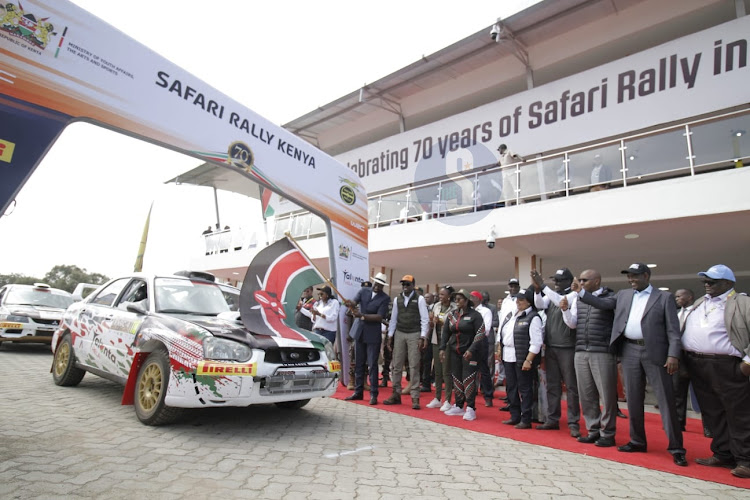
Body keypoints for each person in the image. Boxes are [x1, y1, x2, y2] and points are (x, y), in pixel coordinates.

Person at [578, 263, 686, 466]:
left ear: (646, 275)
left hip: (656, 353)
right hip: (629, 351)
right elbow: (602, 304)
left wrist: (673, 355)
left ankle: (676, 448)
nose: (631, 279)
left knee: (665, 401)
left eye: (635, 276)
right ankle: (637, 441)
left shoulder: (664, 297)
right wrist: (581, 292)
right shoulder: (623, 295)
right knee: (633, 399)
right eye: (629, 276)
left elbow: (673, 330)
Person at [683, 265, 750, 478]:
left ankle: (745, 460)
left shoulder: (742, 303)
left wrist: (747, 363)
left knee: (739, 414)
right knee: (713, 413)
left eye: (712, 281)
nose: (707, 284)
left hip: (728, 366)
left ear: (728, 283)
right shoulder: (701, 302)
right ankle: (723, 453)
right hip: (699, 364)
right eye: (705, 281)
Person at [567, 269, 619, 447]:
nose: (581, 283)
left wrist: (579, 292)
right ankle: (593, 429)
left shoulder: (611, 297)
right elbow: (573, 323)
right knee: (586, 394)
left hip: (602, 352)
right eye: (580, 280)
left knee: (607, 395)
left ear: (597, 281)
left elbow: (601, 305)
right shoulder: (580, 300)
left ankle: (608, 433)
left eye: (585, 280)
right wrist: (566, 310)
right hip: (581, 350)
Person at [531, 268, 581, 438]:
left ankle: (573, 422)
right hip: (551, 346)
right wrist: (538, 289)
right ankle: (552, 419)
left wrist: (543, 285)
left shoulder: (574, 295)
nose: (557, 283)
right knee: (552, 385)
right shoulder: (552, 295)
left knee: (571, 387)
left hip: (567, 347)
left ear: (568, 281)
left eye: (560, 280)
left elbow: (560, 300)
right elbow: (539, 304)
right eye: (555, 281)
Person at [496, 287, 543, 429]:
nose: (518, 302)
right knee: (511, 387)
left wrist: (529, 360)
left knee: (525, 388)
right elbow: (503, 332)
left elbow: (536, 342)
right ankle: (514, 415)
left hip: (522, 356)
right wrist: (500, 347)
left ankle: (526, 418)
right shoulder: (512, 315)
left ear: (529, 302)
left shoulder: (533, 317)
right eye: (517, 299)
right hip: (508, 355)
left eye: (521, 300)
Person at [439, 289, 486, 421]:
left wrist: (471, 350)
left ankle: (471, 408)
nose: (457, 301)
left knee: (468, 379)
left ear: (466, 301)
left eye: (460, 299)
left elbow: (480, 333)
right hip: (455, 352)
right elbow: (446, 333)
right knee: (457, 378)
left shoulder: (475, 315)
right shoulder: (452, 315)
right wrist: (442, 348)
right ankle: (459, 405)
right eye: (456, 299)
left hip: (471, 353)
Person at [343, 273, 390, 405]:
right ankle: (358, 392)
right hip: (360, 332)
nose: (377, 287)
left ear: (383, 286)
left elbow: (380, 317)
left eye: (380, 285)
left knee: (372, 365)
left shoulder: (385, 298)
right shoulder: (364, 290)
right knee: (359, 363)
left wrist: (362, 316)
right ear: (373, 282)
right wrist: (349, 303)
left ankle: (374, 394)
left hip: (373, 335)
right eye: (376, 284)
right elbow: (354, 301)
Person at [384, 275, 430, 410]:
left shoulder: (420, 299)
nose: (405, 286)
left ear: (413, 285)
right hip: (400, 332)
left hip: (414, 333)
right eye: (403, 284)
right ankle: (395, 394)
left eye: (407, 284)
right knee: (396, 365)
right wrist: (390, 335)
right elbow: (393, 319)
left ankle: (415, 397)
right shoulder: (397, 299)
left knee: (414, 365)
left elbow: (425, 319)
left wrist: (423, 336)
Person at [425, 287, 457, 410]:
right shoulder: (436, 305)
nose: (440, 296)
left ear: (449, 296)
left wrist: (441, 321)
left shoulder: (454, 308)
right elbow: (433, 323)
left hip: (448, 342)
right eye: (439, 294)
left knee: (446, 372)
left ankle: (448, 400)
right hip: (436, 340)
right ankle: (437, 398)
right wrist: (432, 321)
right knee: (437, 371)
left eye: (443, 294)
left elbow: (454, 324)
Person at [471, 291, 494, 408]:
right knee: (470, 369)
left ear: (479, 299)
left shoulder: (485, 311)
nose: (471, 298)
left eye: (473, 297)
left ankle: (488, 396)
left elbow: (487, 328)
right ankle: (469, 394)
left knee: (484, 370)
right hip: (469, 342)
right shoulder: (468, 311)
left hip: (481, 342)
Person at [420, 292, 436, 393]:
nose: (425, 299)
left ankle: (432, 381)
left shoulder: (435, 307)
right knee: (425, 361)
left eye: (428, 297)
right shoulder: (423, 308)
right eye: (424, 297)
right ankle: (425, 383)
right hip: (425, 337)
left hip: (433, 337)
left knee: (431, 362)